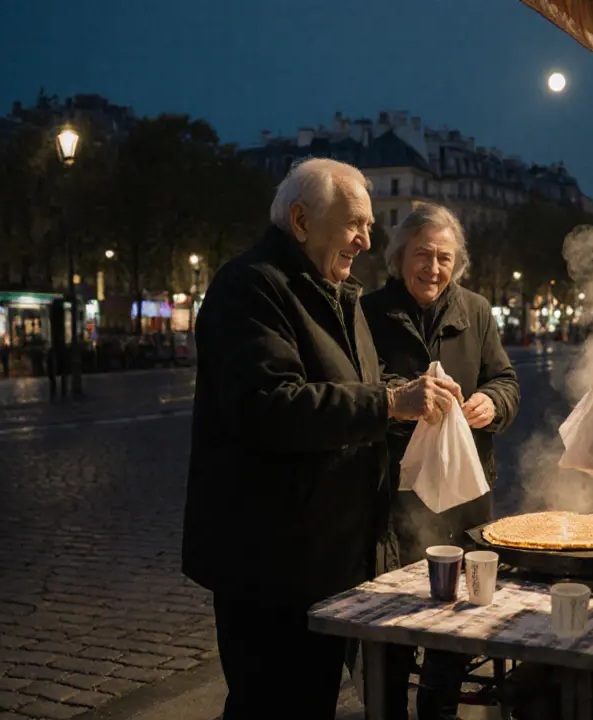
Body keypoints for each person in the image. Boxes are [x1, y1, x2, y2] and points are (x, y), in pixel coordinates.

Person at [182, 158, 464, 720]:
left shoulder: (334, 290)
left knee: (315, 702)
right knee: (275, 704)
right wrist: (389, 402)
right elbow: (270, 406)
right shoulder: (251, 287)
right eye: (356, 222)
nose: (367, 238)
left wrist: (407, 393)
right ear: (302, 219)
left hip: (328, 557)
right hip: (272, 564)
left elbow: (349, 388)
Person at [361, 203, 521, 720]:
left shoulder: (475, 310)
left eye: (444, 258)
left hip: (466, 492)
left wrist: (491, 404)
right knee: (394, 610)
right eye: (422, 255)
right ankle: (386, 708)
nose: (433, 268)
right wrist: (404, 398)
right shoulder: (367, 312)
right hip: (393, 492)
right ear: (398, 256)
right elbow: (361, 390)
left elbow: (506, 379)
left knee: (457, 611)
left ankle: (440, 706)